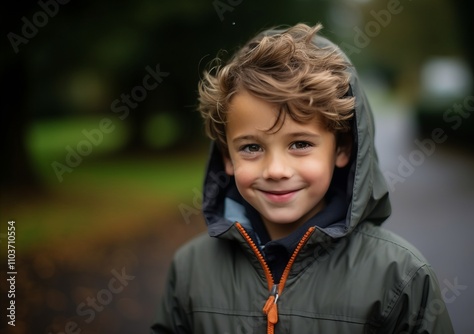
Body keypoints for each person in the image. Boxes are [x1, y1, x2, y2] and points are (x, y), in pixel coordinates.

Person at [150, 23, 454, 333]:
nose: (276, 170)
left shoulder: (400, 276)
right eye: (252, 147)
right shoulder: (190, 270)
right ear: (227, 157)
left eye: (300, 144)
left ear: (342, 149)